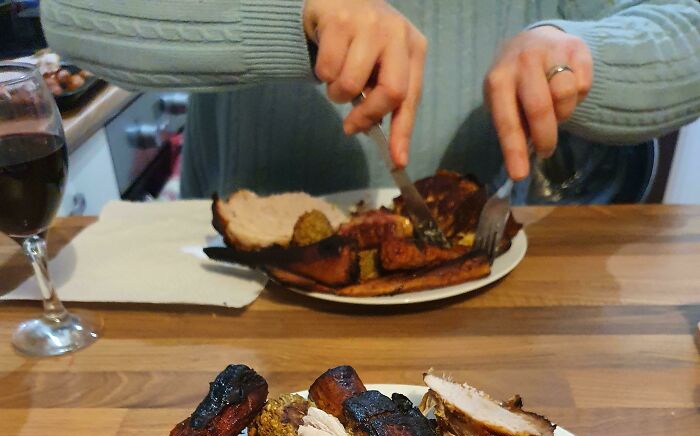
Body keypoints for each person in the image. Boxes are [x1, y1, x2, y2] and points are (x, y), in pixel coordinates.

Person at [41, 0, 700, 199]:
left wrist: (580, 52)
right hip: (253, 287)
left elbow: (684, 25)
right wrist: (294, 16)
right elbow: (73, 14)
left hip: (494, 283)